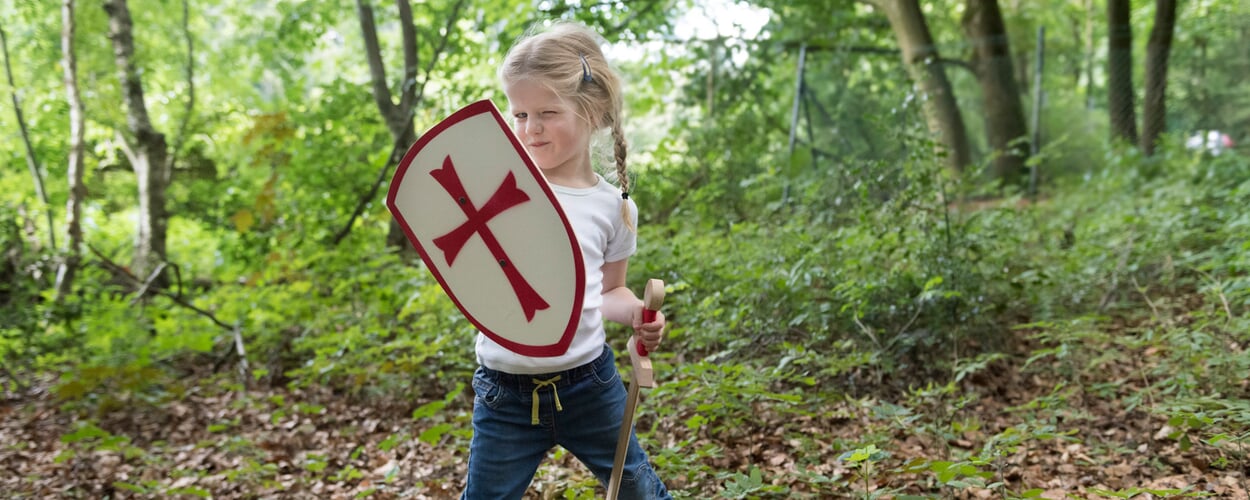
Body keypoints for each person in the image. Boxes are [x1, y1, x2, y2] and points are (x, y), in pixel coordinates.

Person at [460, 22, 672, 500]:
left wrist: (638, 312)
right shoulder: (498, 189)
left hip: (589, 385)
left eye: (547, 113)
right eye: (519, 114)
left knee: (637, 488)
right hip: (503, 391)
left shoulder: (614, 207)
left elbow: (607, 291)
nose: (530, 129)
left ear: (593, 111)